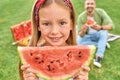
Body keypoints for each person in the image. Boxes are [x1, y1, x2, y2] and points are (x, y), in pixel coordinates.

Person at [19, 0, 90, 80]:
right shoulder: (32, 60)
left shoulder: (77, 58)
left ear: (71, 23)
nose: (54, 31)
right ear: (38, 26)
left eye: (62, 23)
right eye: (46, 24)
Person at [77, 0, 114, 68]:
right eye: (88, 4)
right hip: (87, 36)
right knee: (77, 44)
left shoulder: (100, 12)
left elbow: (112, 26)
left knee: (104, 32)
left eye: (92, 4)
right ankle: (102, 43)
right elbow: (81, 35)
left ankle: (98, 58)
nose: (90, 5)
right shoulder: (81, 17)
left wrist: (101, 28)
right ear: (85, 5)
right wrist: (83, 31)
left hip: (98, 34)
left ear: (95, 5)